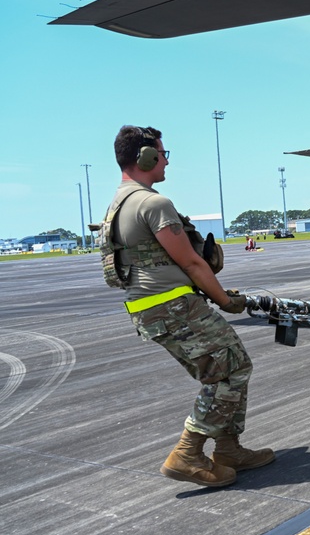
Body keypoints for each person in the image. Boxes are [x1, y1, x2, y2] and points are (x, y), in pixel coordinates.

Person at [105, 126, 274, 487]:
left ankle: (228, 450)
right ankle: (188, 451)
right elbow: (193, 264)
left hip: (153, 309)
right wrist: (227, 301)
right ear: (146, 158)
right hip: (173, 306)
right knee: (235, 369)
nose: (166, 161)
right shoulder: (153, 203)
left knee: (222, 372)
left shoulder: (119, 205)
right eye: (164, 154)